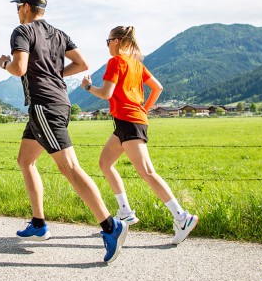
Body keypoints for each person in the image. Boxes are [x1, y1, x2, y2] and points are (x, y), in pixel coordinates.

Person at [0, 0, 127, 263]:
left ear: (25, 7)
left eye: (18, 7)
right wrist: (55, 72)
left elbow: (19, 69)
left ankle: (110, 226)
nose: (17, 12)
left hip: (44, 106)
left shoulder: (22, 32)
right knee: (26, 160)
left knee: (69, 166)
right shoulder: (58, 33)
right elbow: (82, 64)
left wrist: (5, 63)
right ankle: (38, 223)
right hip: (56, 103)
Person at [80, 25, 198, 245]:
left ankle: (182, 217)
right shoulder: (137, 65)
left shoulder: (116, 62)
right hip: (127, 123)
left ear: (116, 41)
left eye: (108, 42)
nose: (107, 46)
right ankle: (125, 211)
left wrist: (88, 87)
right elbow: (158, 88)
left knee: (147, 172)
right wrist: (144, 108)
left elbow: (106, 93)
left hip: (130, 123)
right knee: (105, 163)